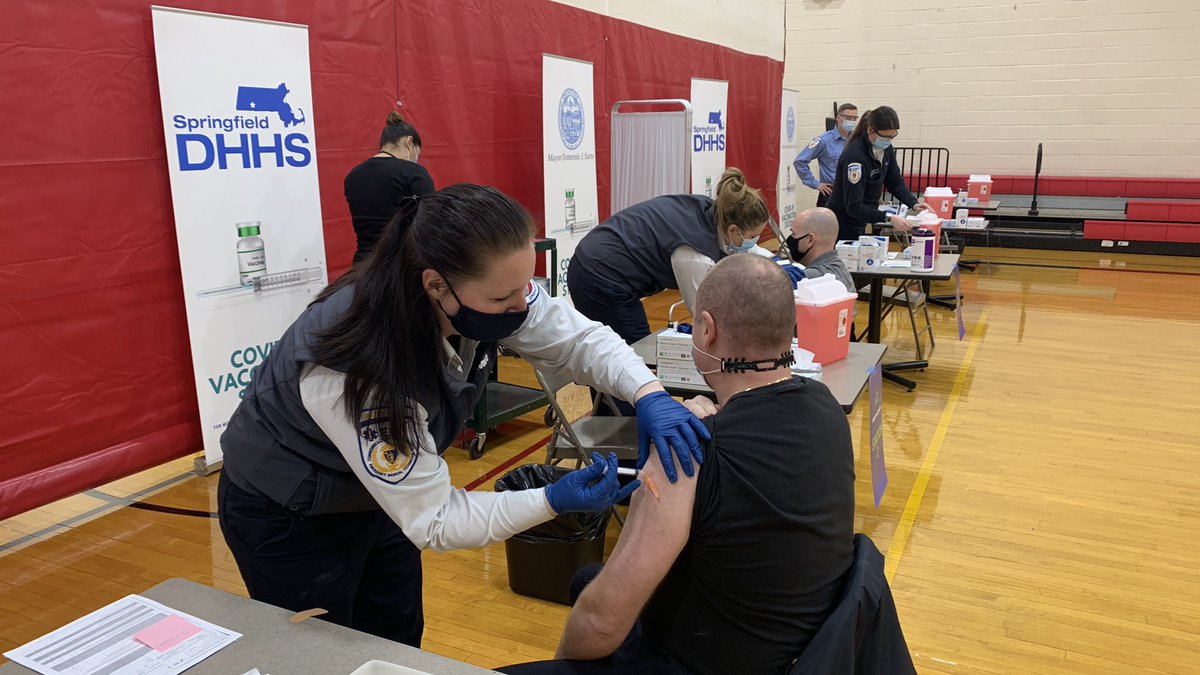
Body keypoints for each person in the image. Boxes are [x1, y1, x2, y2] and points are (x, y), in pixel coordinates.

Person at [217, 184, 710, 648]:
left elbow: (577, 338)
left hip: (374, 497)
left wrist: (648, 394)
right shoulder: (360, 367)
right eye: (503, 299)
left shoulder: (481, 286)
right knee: (321, 652)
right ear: (435, 285)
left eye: (525, 287)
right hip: (288, 510)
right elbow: (435, 518)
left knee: (396, 633)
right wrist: (552, 500)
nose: (522, 307)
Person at [500, 255, 857, 675]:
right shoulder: (827, 408)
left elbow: (601, 621)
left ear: (706, 329)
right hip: (799, 651)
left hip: (695, 663)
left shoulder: (689, 449)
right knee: (586, 579)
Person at [568, 167, 771, 348]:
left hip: (599, 260)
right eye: (753, 237)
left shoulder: (713, 211)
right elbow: (703, 316)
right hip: (598, 274)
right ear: (734, 229)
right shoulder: (694, 255)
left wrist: (776, 264)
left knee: (618, 352)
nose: (755, 242)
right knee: (636, 355)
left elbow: (743, 251)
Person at [825, 106, 932, 242]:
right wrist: (888, 218)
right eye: (885, 137)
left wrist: (914, 204)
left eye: (891, 137)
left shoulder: (886, 148)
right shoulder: (855, 157)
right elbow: (854, 206)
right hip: (841, 221)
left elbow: (894, 181)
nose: (888, 141)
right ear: (870, 130)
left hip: (861, 217)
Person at [343, 112, 435, 265]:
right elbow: (431, 221)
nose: (415, 158)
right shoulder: (413, 171)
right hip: (400, 265)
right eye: (416, 152)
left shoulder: (353, 175)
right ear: (409, 142)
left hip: (363, 264)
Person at [793, 103, 858, 207]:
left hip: (853, 192)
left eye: (854, 118)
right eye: (848, 118)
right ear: (838, 118)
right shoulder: (824, 140)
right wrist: (815, 183)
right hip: (831, 193)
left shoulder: (856, 140)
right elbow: (800, 161)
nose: (852, 121)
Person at [784, 207, 857, 293]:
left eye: (793, 233)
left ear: (810, 240)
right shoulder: (838, 270)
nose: (790, 238)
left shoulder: (815, 279)